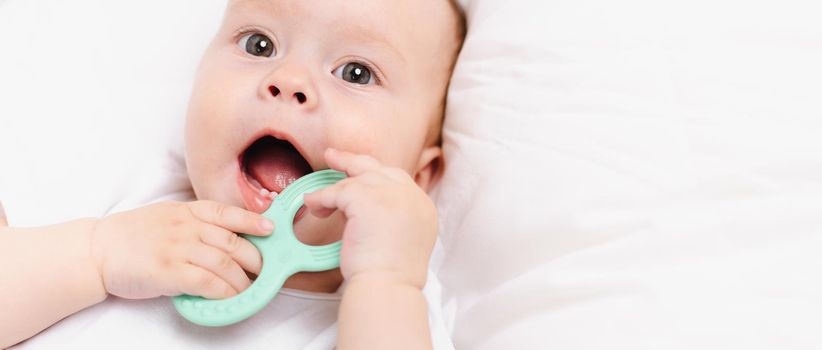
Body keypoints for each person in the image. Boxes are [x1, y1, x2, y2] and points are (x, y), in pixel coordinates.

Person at [0, 0, 465, 348]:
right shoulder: (126, 201)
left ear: (418, 180)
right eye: (259, 44)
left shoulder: (393, 316)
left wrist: (387, 278)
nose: (289, 80)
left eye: (357, 73)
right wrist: (95, 254)